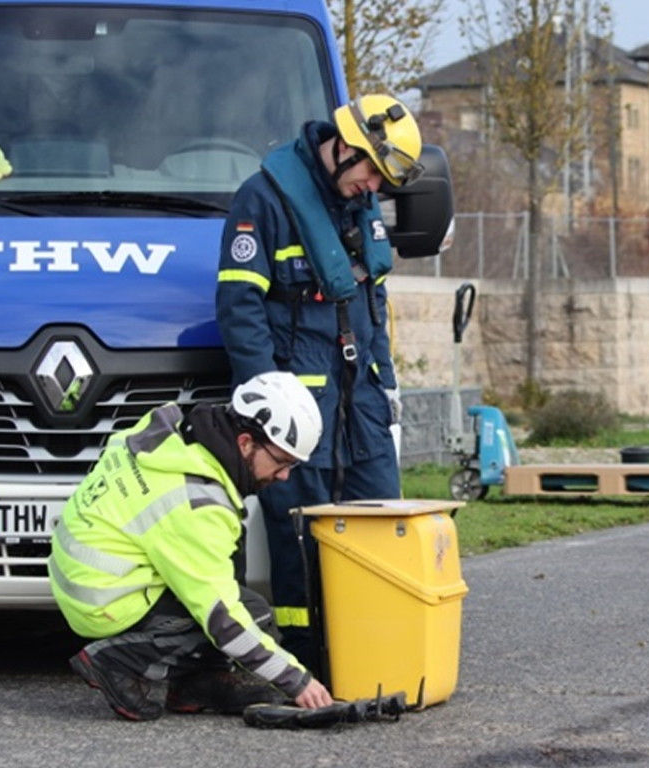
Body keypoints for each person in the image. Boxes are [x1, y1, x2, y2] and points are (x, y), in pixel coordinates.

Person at [215, 94, 425, 667]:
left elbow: (371, 300)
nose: (372, 189)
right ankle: (305, 661)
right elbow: (240, 305)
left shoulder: (355, 203)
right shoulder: (264, 199)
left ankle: (381, 654)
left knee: (382, 525)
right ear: (345, 149)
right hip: (295, 405)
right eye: (369, 174)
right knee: (297, 541)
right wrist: (264, 400)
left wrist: (386, 380)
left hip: (360, 402)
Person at [50, 372, 335, 721]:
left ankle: (196, 686)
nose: (284, 476)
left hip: (84, 577)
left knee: (236, 595)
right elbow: (224, 619)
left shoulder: (175, 435)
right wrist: (297, 681)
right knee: (250, 617)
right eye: (281, 462)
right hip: (104, 601)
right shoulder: (196, 503)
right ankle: (115, 660)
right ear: (246, 443)